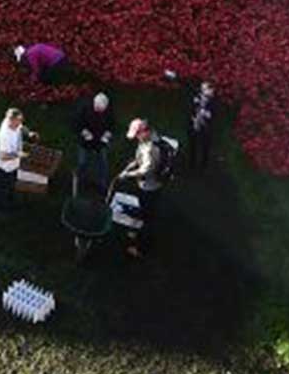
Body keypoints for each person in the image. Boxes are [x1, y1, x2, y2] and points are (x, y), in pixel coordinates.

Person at [116, 119, 176, 259]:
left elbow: (146, 170)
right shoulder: (150, 137)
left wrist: (127, 174)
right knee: (143, 209)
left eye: (137, 134)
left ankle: (142, 248)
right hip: (147, 185)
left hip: (150, 187)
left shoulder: (151, 149)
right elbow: (140, 157)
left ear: (144, 132)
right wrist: (132, 164)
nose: (136, 138)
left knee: (148, 217)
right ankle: (139, 229)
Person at [72, 91, 114, 199]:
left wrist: (108, 134)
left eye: (102, 110)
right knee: (83, 162)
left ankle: (102, 185)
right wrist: (84, 132)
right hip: (85, 141)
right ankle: (80, 182)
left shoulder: (108, 111)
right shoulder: (84, 109)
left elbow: (112, 125)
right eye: (98, 109)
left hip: (101, 141)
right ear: (94, 104)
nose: (99, 112)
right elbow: (76, 123)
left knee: (103, 163)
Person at [0, 107, 27, 213]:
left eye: (21, 120)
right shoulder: (5, 135)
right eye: (19, 120)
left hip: (14, 165)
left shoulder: (15, 123)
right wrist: (18, 155)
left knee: (12, 187)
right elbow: (3, 156)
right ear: (11, 120)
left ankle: (10, 202)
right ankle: (0, 211)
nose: (20, 122)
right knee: (2, 190)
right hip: (5, 167)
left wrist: (29, 133)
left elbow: (22, 127)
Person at [187, 79, 218, 174]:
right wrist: (193, 116)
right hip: (195, 125)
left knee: (205, 147)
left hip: (206, 128)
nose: (202, 91)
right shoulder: (197, 98)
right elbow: (191, 109)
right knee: (193, 145)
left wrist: (205, 113)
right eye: (202, 89)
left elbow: (215, 115)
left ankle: (203, 167)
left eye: (205, 89)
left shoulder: (214, 101)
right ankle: (191, 165)